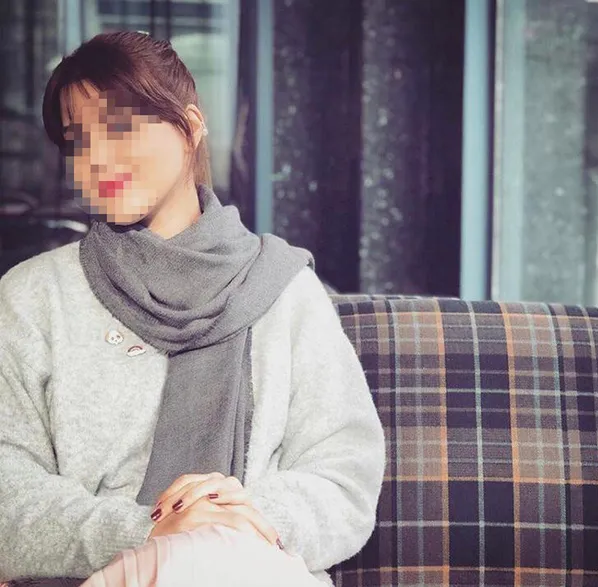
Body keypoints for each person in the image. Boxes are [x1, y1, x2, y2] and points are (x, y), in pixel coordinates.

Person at [0, 31, 386, 586]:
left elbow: (344, 478)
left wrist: (240, 518)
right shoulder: (34, 297)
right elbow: (9, 494)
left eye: (120, 128)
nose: (97, 159)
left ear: (190, 126)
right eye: (77, 141)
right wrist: (152, 532)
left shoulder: (286, 292)